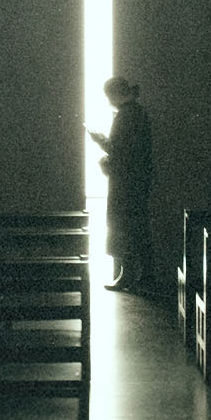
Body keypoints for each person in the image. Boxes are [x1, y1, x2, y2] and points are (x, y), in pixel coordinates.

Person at [88, 76, 153, 293]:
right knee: (136, 228)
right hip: (136, 182)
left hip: (126, 184)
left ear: (115, 94)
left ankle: (129, 275)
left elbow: (120, 151)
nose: (108, 101)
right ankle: (141, 276)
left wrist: (101, 142)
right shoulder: (137, 113)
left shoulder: (127, 116)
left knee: (124, 228)